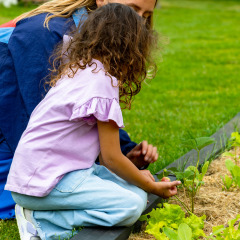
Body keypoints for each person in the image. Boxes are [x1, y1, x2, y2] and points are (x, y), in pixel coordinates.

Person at [5, 3, 181, 240]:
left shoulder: (82, 70)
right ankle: (41, 221)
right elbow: (110, 158)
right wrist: (150, 186)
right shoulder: (103, 82)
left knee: (135, 192)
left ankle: (42, 214)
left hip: (50, 172)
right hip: (41, 183)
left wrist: (137, 176)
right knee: (130, 205)